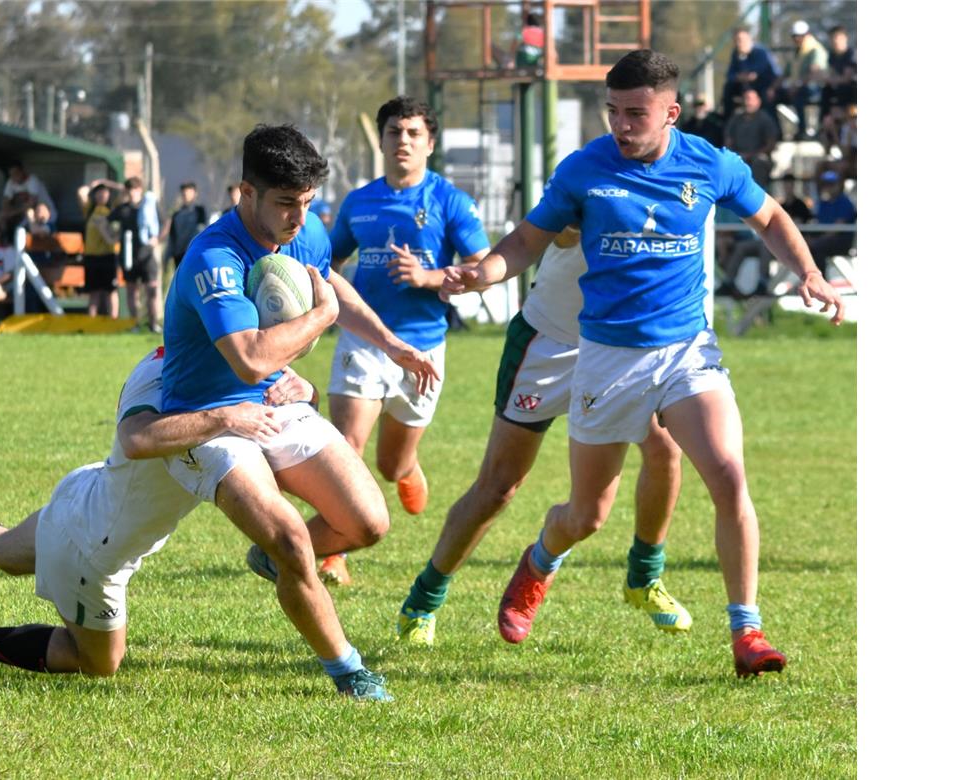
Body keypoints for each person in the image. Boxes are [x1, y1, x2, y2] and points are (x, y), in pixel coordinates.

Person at [440, 49, 844, 677]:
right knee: (586, 515)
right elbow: (526, 241)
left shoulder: (711, 163)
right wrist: (482, 274)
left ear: (671, 113)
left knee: (729, 476)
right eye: (613, 113)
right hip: (605, 359)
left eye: (636, 114)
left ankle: (747, 631)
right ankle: (541, 559)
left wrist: (811, 274)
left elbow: (768, 216)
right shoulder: (584, 170)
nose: (621, 126)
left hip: (687, 352)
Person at [0, 352, 386, 698]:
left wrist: (304, 385)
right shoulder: (191, 408)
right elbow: (154, 438)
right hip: (92, 552)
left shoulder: (197, 364)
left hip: (87, 495)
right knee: (97, 662)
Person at [161, 124, 442, 701]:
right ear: (245, 193)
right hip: (210, 416)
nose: (299, 217)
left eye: (308, 203)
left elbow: (330, 282)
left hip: (276, 401)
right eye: (286, 203)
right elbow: (247, 359)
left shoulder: (304, 230)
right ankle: (348, 671)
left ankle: (276, 562)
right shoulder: (214, 257)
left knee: (366, 524)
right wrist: (321, 317)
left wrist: (392, 344)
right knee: (292, 539)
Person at [394, 226, 689, 645]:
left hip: (620, 352)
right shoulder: (588, 177)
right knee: (499, 486)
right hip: (547, 348)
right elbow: (548, 234)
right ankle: (423, 599)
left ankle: (643, 577)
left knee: (664, 449)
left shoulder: (675, 177)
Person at [317, 96, 492, 585]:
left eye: (414, 133)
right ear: (382, 140)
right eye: (395, 132)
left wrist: (429, 276)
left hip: (422, 349)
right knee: (346, 448)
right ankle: (335, 551)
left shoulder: (449, 201)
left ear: (430, 143)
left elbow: (485, 268)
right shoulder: (360, 202)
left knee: (389, 465)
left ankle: (408, 467)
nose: (404, 141)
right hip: (365, 340)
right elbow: (326, 262)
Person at [110, 176, 162, 332]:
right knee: (131, 291)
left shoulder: (149, 206)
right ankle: (135, 324)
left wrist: (157, 239)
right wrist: (111, 237)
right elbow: (103, 221)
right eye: (130, 190)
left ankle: (153, 324)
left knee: (152, 289)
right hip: (128, 256)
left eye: (136, 190)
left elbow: (165, 222)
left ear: (141, 190)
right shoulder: (122, 209)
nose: (133, 193)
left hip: (147, 255)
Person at [779, 20, 829, 139]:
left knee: (800, 95)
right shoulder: (797, 52)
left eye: (799, 36)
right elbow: (785, 73)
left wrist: (798, 85)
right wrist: (772, 88)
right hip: (798, 86)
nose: (796, 39)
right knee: (775, 96)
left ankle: (803, 131)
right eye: (794, 36)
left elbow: (814, 72)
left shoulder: (816, 50)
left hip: (816, 88)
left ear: (807, 35)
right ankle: (777, 132)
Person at [724, 87, 781, 190]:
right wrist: (736, 155)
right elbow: (728, 141)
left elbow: (771, 144)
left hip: (758, 157)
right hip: (739, 156)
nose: (747, 102)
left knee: (759, 162)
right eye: (745, 99)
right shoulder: (735, 119)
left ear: (758, 101)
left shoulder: (765, 119)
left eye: (750, 99)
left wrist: (751, 155)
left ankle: (758, 194)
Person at [721, 27, 781, 119]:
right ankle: (727, 123)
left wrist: (743, 76)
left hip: (766, 86)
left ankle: (773, 128)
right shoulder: (736, 54)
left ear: (749, 39)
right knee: (728, 89)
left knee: (766, 98)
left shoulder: (761, 52)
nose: (738, 44)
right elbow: (730, 75)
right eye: (736, 41)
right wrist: (740, 77)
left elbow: (755, 74)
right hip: (746, 86)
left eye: (741, 40)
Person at [81, 183, 121, 318]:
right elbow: (81, 191)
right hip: (91, 256)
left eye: (105, 193)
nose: (102, 195)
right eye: (99, 193)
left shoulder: (113, 210)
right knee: (94, 291)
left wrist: (107, 183)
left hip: (108, 255)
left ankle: (114, 320)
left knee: (111, 290)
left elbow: (125, 190)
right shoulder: (90, 210)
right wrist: (96, 183)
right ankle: (92, 321)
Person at [807, 170, 856, 276]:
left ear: (838, 185)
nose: (828, 187)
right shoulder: (823, 204)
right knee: (804, 245)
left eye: (831, 184)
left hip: (842, 242)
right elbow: (818, 224)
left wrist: (817, 240)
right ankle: (810, 279)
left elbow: (838, 228)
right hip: (825, 239)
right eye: (825, 184)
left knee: (815, 247)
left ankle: (820, 281)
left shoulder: (845, 202)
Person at [163, 181, 209, 270]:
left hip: (195, 254)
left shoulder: (200, 211)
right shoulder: (176, 215)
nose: (186, 194)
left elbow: (202, 230)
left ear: (195, 193)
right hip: (179, 257)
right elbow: (172, 238)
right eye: (184, 191)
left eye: (189, 191)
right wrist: (167, 257)